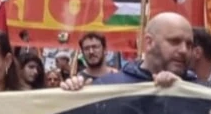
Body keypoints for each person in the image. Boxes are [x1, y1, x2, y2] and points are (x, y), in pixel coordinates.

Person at [63, 12, 195, 89]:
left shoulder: (201, 91)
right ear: (149, 42)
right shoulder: (111, 87)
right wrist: (73, 97)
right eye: (174, 42)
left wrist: (180, 91)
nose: (184, 50)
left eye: (189, 45)